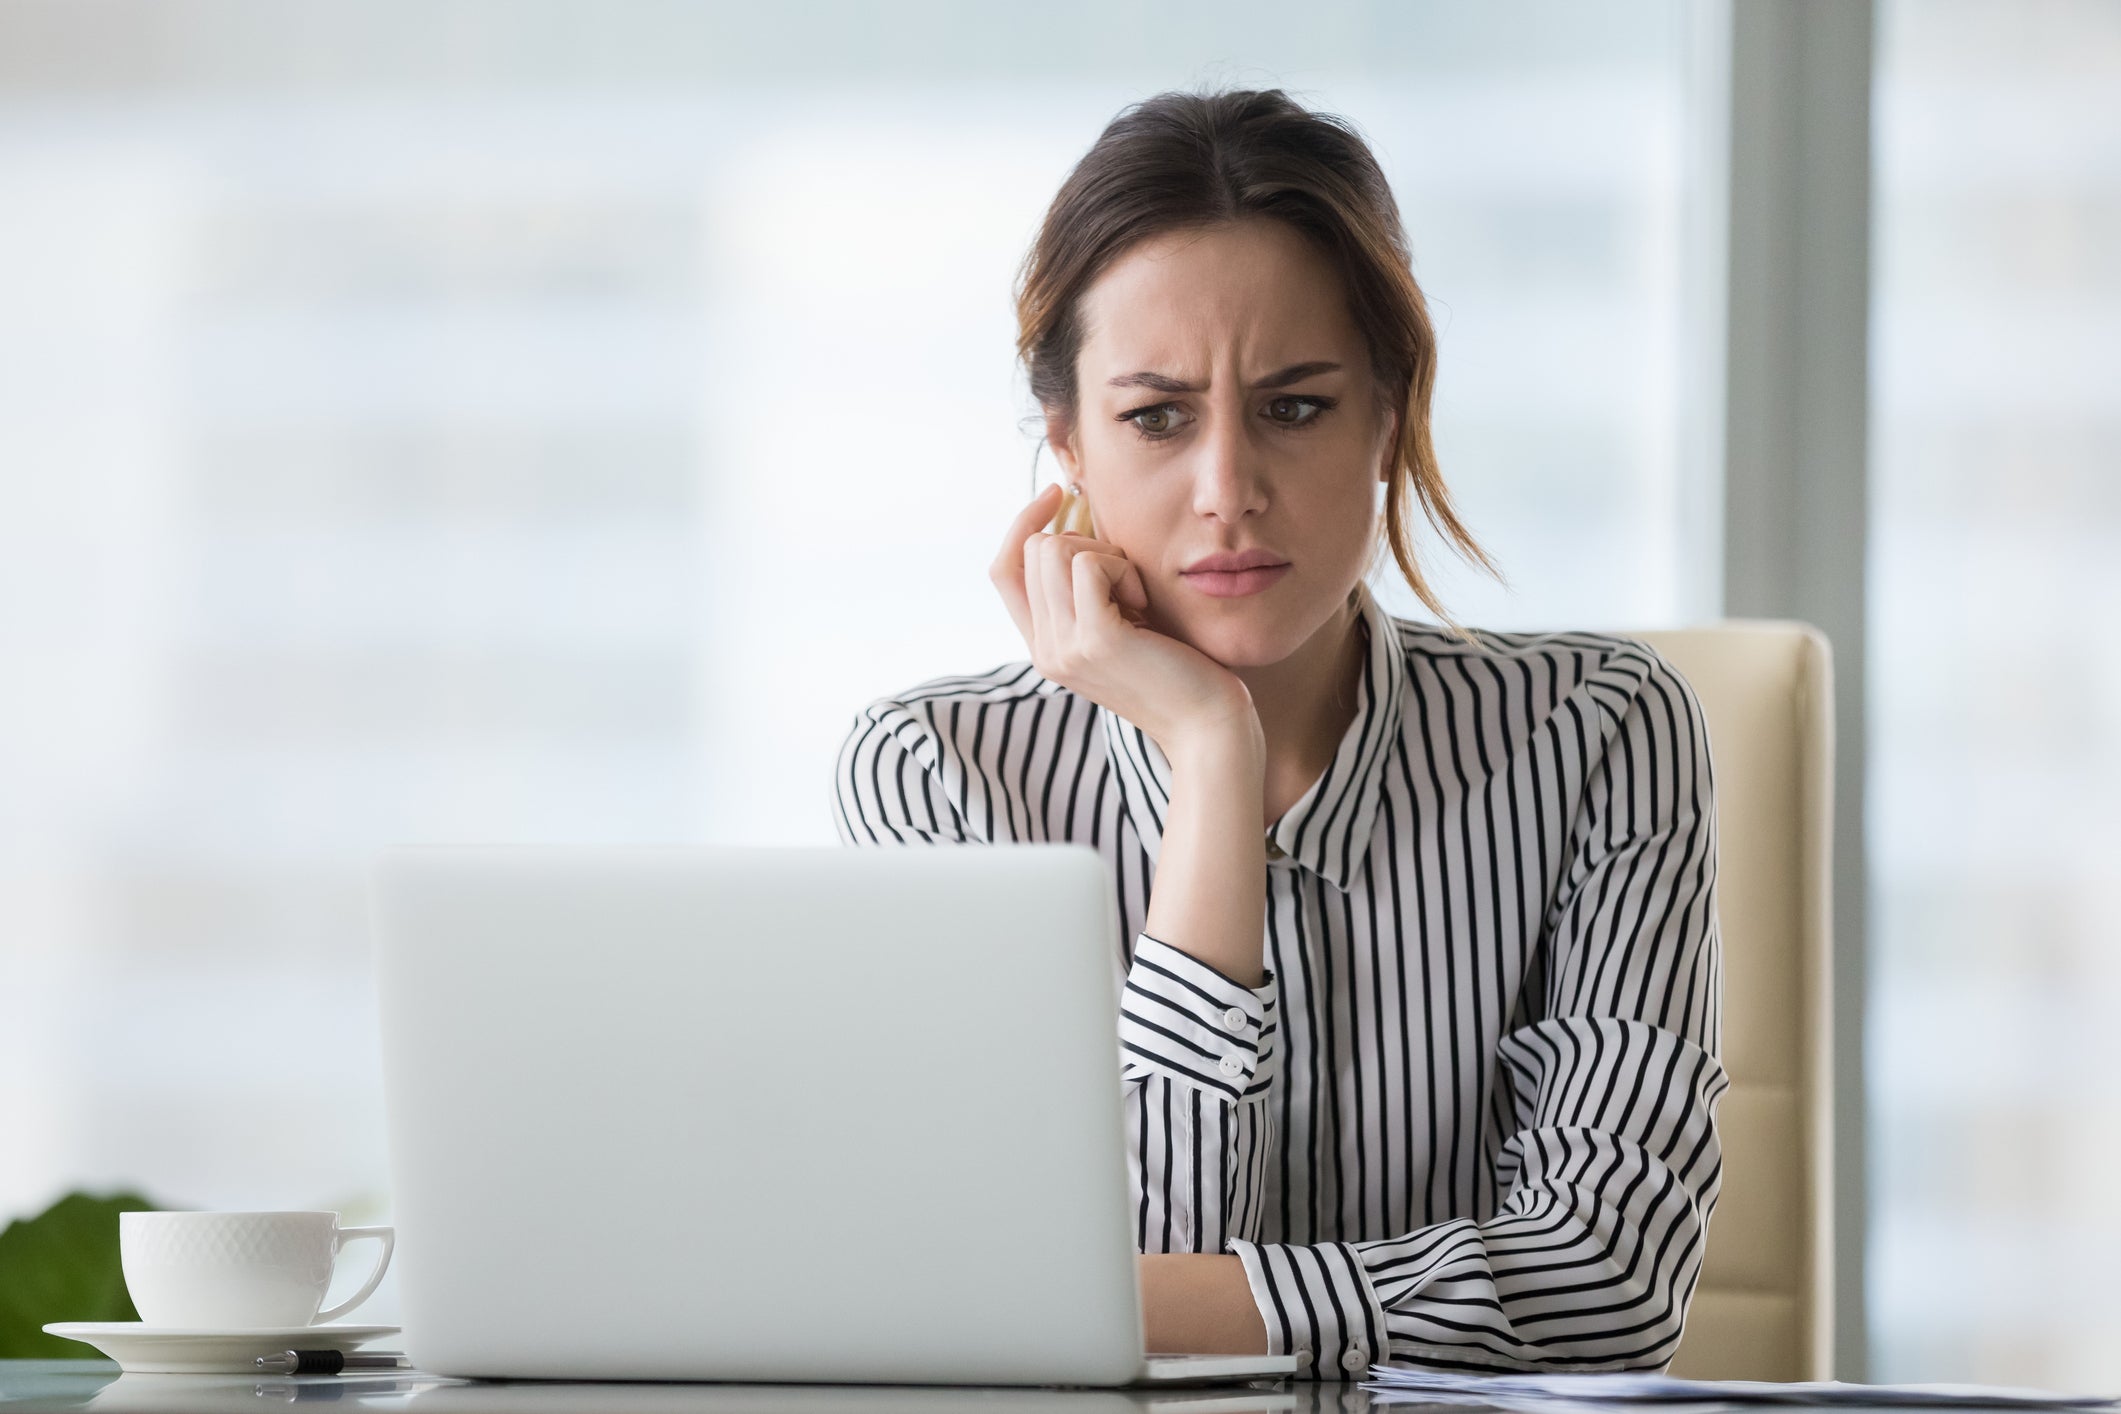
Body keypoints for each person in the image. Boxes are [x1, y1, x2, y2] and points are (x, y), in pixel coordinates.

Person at [833, 87, 1725, 1378]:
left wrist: (1136, 1303)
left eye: (1294, 406)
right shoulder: (939, 773)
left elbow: (1603, 1285)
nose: (1227, 492)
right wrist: (1208, 756)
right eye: (1156, 416)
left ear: (1386, 413)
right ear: (1067, 443)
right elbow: (1117, 1285)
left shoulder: (1598, 731)